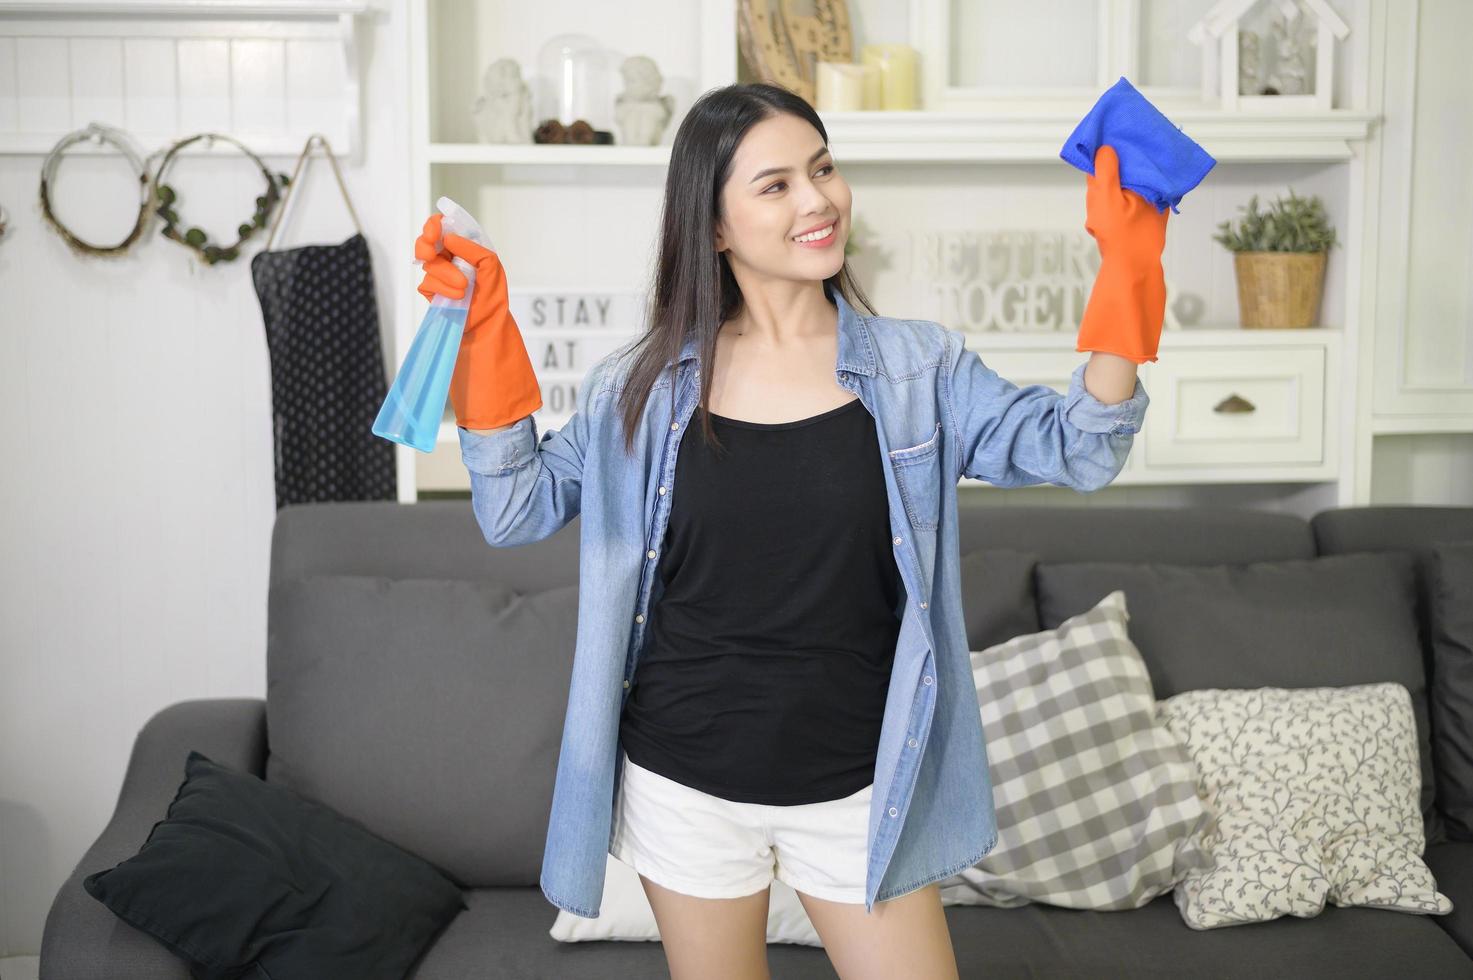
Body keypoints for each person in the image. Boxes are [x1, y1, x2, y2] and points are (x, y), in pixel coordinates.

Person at [413, 83, 1161, 980]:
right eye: (775, 185)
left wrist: (1124, 278)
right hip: (683, 782)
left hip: (859, 785)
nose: (817, 200)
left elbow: (1076, 451)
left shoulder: (917, 368)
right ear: (716, 226)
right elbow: (515, 508)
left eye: (823, 168)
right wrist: (486, 329)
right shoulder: (638, 389)